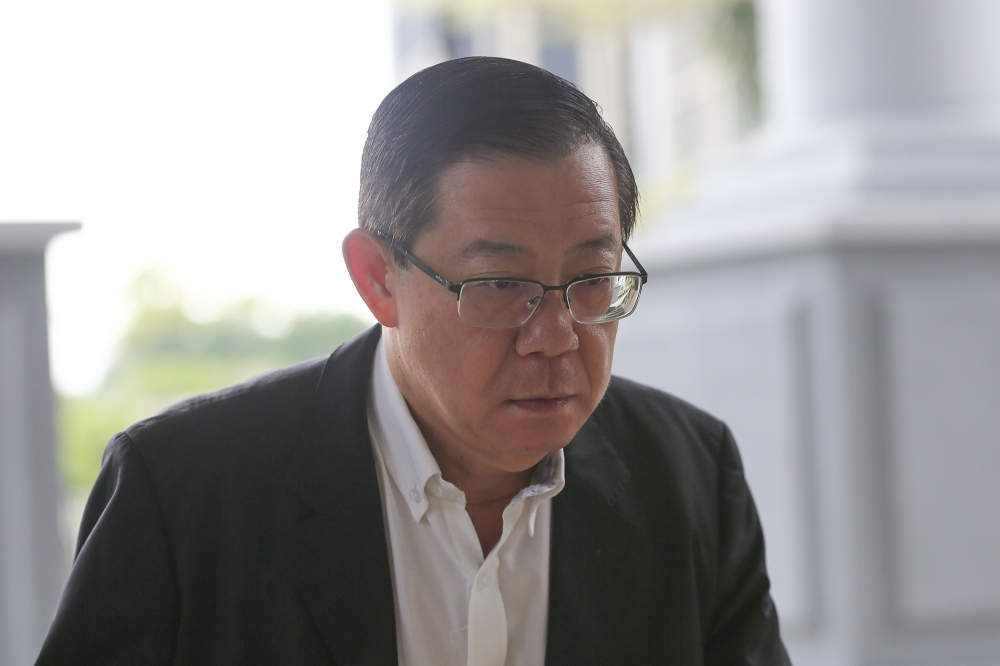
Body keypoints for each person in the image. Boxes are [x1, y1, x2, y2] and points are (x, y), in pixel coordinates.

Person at [36, 57, 790, 665]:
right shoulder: (184, 495)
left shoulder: (688, 472)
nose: (557, 335)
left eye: (592, 281)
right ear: (377, 278)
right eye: (501, 285)